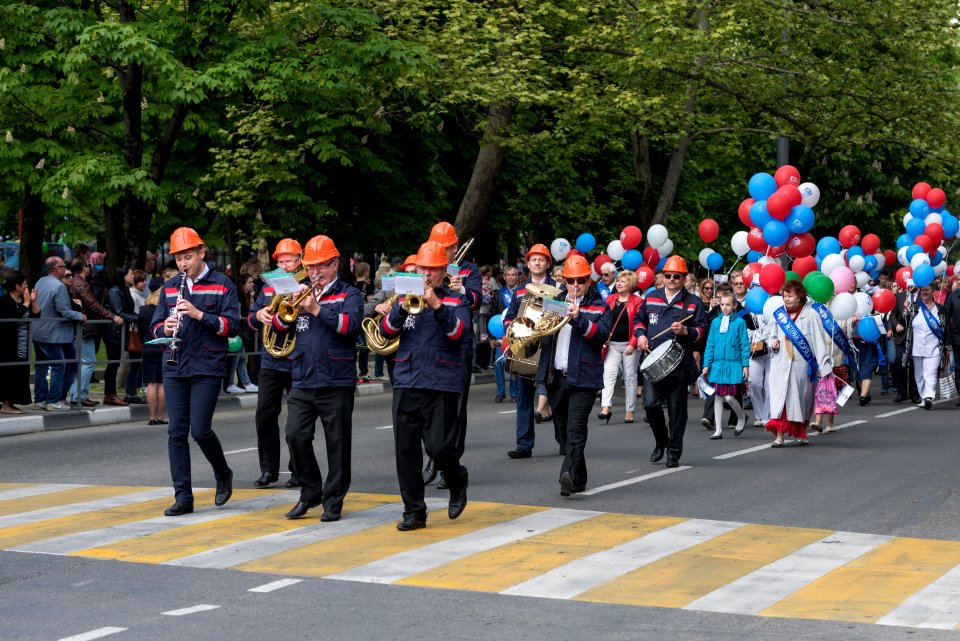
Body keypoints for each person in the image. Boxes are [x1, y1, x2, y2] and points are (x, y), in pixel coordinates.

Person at [268, 235, 362, 520]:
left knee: (337, 443)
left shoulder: (349, 294)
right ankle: (310, 491)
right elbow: (278, 325)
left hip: (336, 379)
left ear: (335, 263)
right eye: (310, 267)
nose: (315, 272)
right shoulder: (299, 292)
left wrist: (317, 309)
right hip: (303, 376)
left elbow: (349, 326)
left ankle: (334, 500)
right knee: (294, 435)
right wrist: (287, 312)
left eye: (321, 266)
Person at [379, 240, 471, 530]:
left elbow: (459, 334)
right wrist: (401, 308)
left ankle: (457, 479)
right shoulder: (403, 297)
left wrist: (437, 305)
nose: (427, 274)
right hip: (407, 378)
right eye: (423, 269)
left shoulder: (457, 300)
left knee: (440, 448)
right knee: (405, 450)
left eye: (433, 270)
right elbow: (386, 331)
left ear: (444, 270)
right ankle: (414, 512)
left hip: (441, 381)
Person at [150, 227, 239, 516]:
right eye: (178, 259)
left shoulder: (222, 283)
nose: (183, 264)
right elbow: (154, 325)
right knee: (176, 432)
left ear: (201, 252)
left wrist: (200, 315)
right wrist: (165, 327)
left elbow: (232, 327)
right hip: (174, 364)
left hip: (207, 365)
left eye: (188, 257)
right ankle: (183, 497)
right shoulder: (171, 287)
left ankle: (222, 472)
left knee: (200, 430)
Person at [536, 254, 611, 496]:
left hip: (584, 377)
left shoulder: (600, 305)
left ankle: (566, 475)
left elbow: (601, 335)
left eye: (580, 280)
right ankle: (580, 478)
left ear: (589, 281)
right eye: (571, 281)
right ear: (565, 281)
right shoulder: (555, 301)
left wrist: (578, 318)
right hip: (557, 376)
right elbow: (546, 341)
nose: (576, 285)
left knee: (576, 429)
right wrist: (540, 379)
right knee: (564, 433)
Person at [633, 256, 707, 467]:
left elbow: (702, 330)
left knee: (677, 410)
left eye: (677, 276)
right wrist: (640, 336)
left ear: (684, 279)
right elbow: (639, 320)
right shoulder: (651, 297)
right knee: (649, 404)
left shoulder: (693, 302)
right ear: (662, 277)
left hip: (679, 361)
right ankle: (661, 441)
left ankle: (673, 452)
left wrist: (686, 330)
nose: (672, 279)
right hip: (653, 358)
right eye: (668, 275)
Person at [423, 222, 481, 489]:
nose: (442, 252)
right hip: (428, 342)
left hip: (458, 344)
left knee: (455, 408)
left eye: (446, 248)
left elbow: (478, 301)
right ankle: (434, 456)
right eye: (438, 247)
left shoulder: (469, 271)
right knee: (425, 405)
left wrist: (461, 290)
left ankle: (450, 465)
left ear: (456, 247)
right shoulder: (426, 267)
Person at [248, 238, 304, 489]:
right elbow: (251, 318)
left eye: (288, 260)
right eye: (280, 261)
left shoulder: (307, 283)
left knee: (298, 421)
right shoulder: (269, 287)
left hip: (297, 360)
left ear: (299, 260)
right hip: (271, 361)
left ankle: (299, 470)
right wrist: (258, 315)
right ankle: (268, 469)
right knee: (264, 416)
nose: (283, 265)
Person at [503, 244, 562, 459]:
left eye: (541, 260)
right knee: (525, 398)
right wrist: (511, 331)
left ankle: (563, 441)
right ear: (528, 264)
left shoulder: (558, 288)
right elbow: (509, 316)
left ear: (547, 263)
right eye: (533, 260)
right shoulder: (520, 289)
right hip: (525, 350)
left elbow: (562, 318)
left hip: (550, 350)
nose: (537, 263)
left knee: (556, 397)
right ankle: (524, 444)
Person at [765, 280, 833, 447]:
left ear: (799, 296)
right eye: (784, 296)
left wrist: (825, 366)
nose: (787, 299)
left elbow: (818, 340)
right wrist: (772, 342)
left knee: (801, 400)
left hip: (801, 365)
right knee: (780, 400)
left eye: (790, 295)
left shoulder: (811, 314)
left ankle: (800, 432)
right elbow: (770, 334)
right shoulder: (779, 314)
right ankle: (779, 436)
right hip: (780, 364)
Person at [66, 258, 123, 406]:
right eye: (88, 266)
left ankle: (75, 395)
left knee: (81, 363)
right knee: (88, 362)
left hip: (79, 327)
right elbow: (93, 305)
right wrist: (112, 316)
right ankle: (80, 395)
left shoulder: (72, 282)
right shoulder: (81, 283)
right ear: (84, 269)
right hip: (85, 328)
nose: (90, 268)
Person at [32, 256, 85, 411]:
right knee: (61, 364)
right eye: (63, 266)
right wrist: (80, 316)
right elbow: (63, 311)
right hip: (54, 333)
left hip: (39, 331)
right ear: (56, 269)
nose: (64, 268)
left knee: (42, 365)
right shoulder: (59, 286)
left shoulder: (41, 281)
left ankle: (40, 399)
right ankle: (54, 400)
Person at [701, 292, 750, 439]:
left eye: (728, 305)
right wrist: (706, 364)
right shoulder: (716, 322)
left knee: (728, 397)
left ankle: (741, 417)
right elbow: (710, 344)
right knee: (717, 396)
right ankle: (718, 430)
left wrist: (745, 364)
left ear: (734, 305)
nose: (724, 308)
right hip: (717, 364)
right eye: (722, 305)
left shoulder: (740, 322)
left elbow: (744, 344)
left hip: (733, 364)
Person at [599, 270, 642, 423]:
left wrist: (633, 343)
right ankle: (605, 407)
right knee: (608, 375)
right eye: (618, 281)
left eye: (623, 281)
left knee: (629, 377)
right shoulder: (610, 299)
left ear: (630, 284)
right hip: (612, 344)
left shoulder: (637, 301)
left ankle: (630, 410)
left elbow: (640, 324)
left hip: (630, 345)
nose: (618, 283)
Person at [0, 270, 39, 413]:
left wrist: (32, 302)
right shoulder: (4, 301)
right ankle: (5, 404)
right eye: (24, 284)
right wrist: (27, 302)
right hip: (8, 346)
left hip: (23, 345)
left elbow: (36, 315)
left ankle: (11, 403)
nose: (27, 287)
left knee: (20, 374)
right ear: (16, 286)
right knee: (8, 374)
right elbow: (13, 318)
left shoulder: (24, 301)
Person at [103, 267, 142, 406]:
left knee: (115, 363)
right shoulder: (115, 291)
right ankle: (110, 394)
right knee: (113, 364)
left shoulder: (123, 290)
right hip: (113, 332)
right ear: (123, 276)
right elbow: (119, 312)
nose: (133, 276)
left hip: (121, 331)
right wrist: (139, 318)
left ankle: (111, 394)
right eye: (131, 274)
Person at [907, 285, 948, 409]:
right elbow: (904, 322)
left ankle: (929, 397)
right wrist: (905, 312)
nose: (925, 292)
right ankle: (924, 397)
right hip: (916, 347)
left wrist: (947, 346)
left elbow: (946, 328)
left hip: (934, 347)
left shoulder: (940, 309)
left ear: (932, 292)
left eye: (927, 290)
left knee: (930, 372)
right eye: (923, 290)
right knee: (919, 375)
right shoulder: (914, 307)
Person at [138, 278, 167, 425]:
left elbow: (139, 331)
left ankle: (151, 417)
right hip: (163, 346)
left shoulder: (143, 310)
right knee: (161, 383)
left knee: (151, 383)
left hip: (148, 347)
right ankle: (161, 416)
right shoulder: (164, 309)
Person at [225, 273, 258, 394]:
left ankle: (245, 382)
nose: (252, 284)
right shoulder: (238, 295)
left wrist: (252, 298)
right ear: (243, 284)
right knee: (237, 356)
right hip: (237, 329)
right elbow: (239, 312)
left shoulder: (247, 295)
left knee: (240, 356)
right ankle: (236, 383)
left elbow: (252, 311)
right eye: (249, 282)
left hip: (242, 329)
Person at [491, 265, 519, 403]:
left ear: (516, 276)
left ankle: (514, 393)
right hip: (500, 332)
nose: (511, 277)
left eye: (513, 275)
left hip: (517, 332)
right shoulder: (498, 293)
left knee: (514, 363)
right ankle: (500, 392)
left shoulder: (521, 293)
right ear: (504, 276)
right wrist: (491, 336)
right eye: (508, 275)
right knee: (499, 362)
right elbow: (492, 314)